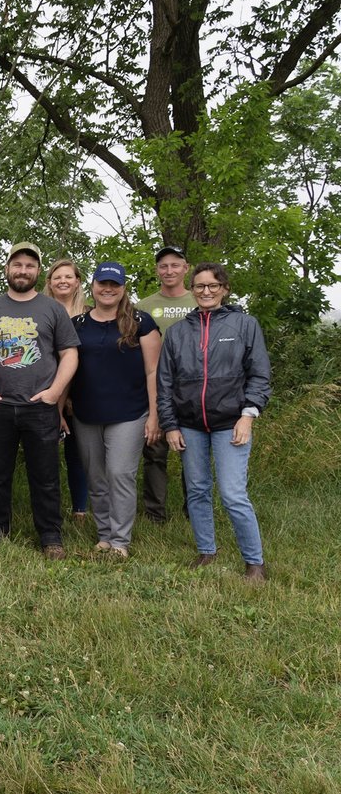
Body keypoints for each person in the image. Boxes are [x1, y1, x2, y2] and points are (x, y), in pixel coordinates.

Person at [0, 242, 80, 558]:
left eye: (30, 265)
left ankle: (51, 537)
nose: (23, 270)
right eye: (18, 265)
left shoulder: (53, 309)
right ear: (7, 269)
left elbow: (70, 353)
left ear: (37, 271)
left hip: (39, 407)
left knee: (45, 476)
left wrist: (54, 393)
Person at [157, 262, 271, 582]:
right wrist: (170, 425)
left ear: (224, 289)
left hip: (231, 423)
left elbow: (260, 375)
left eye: (213, 286)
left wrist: (248, 416)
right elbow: (165, 383)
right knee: (196, 490)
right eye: (200, 286)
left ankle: (255, 563)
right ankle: (207, 552)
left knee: (233, 494)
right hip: (189, 425)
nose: (206, 292)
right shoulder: (179, 332)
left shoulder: (244, 325)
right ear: (192, 290)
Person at [64, 262, 162, 558]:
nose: (108, 289)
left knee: (119, 473)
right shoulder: (77, 324)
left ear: (123, 289)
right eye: (102, 283)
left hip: (130, 413)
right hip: (86, 412)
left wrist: (155, 415)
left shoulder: (141, 322)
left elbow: (153, 371)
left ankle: (120, 540)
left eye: (114, 284)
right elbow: (66, 369)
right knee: (95, 476)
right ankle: (104, 535)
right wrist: (59, 409)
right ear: (92, 287)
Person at [137, 245, 197, 522]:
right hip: (156, 387)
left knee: (193, 455)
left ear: (186, 268)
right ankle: (155, 514)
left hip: (194, 389)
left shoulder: (201, 300)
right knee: (155, 453)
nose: (169, 270)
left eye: (175, 265)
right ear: (157, 270)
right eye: (163, 266)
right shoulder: (143, 306)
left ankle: (194, 511)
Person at [42, 258, 89, 523]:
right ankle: (49, 508)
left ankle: (80, 508)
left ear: (77, 281)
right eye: (57, 277)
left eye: (68, 277)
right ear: (49, 282)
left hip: (83, 393)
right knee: (45, 454)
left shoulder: (90, 314)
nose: (63, 281)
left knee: (78, 452)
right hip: (46, 392)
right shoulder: (41, 311)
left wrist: (71, 397)